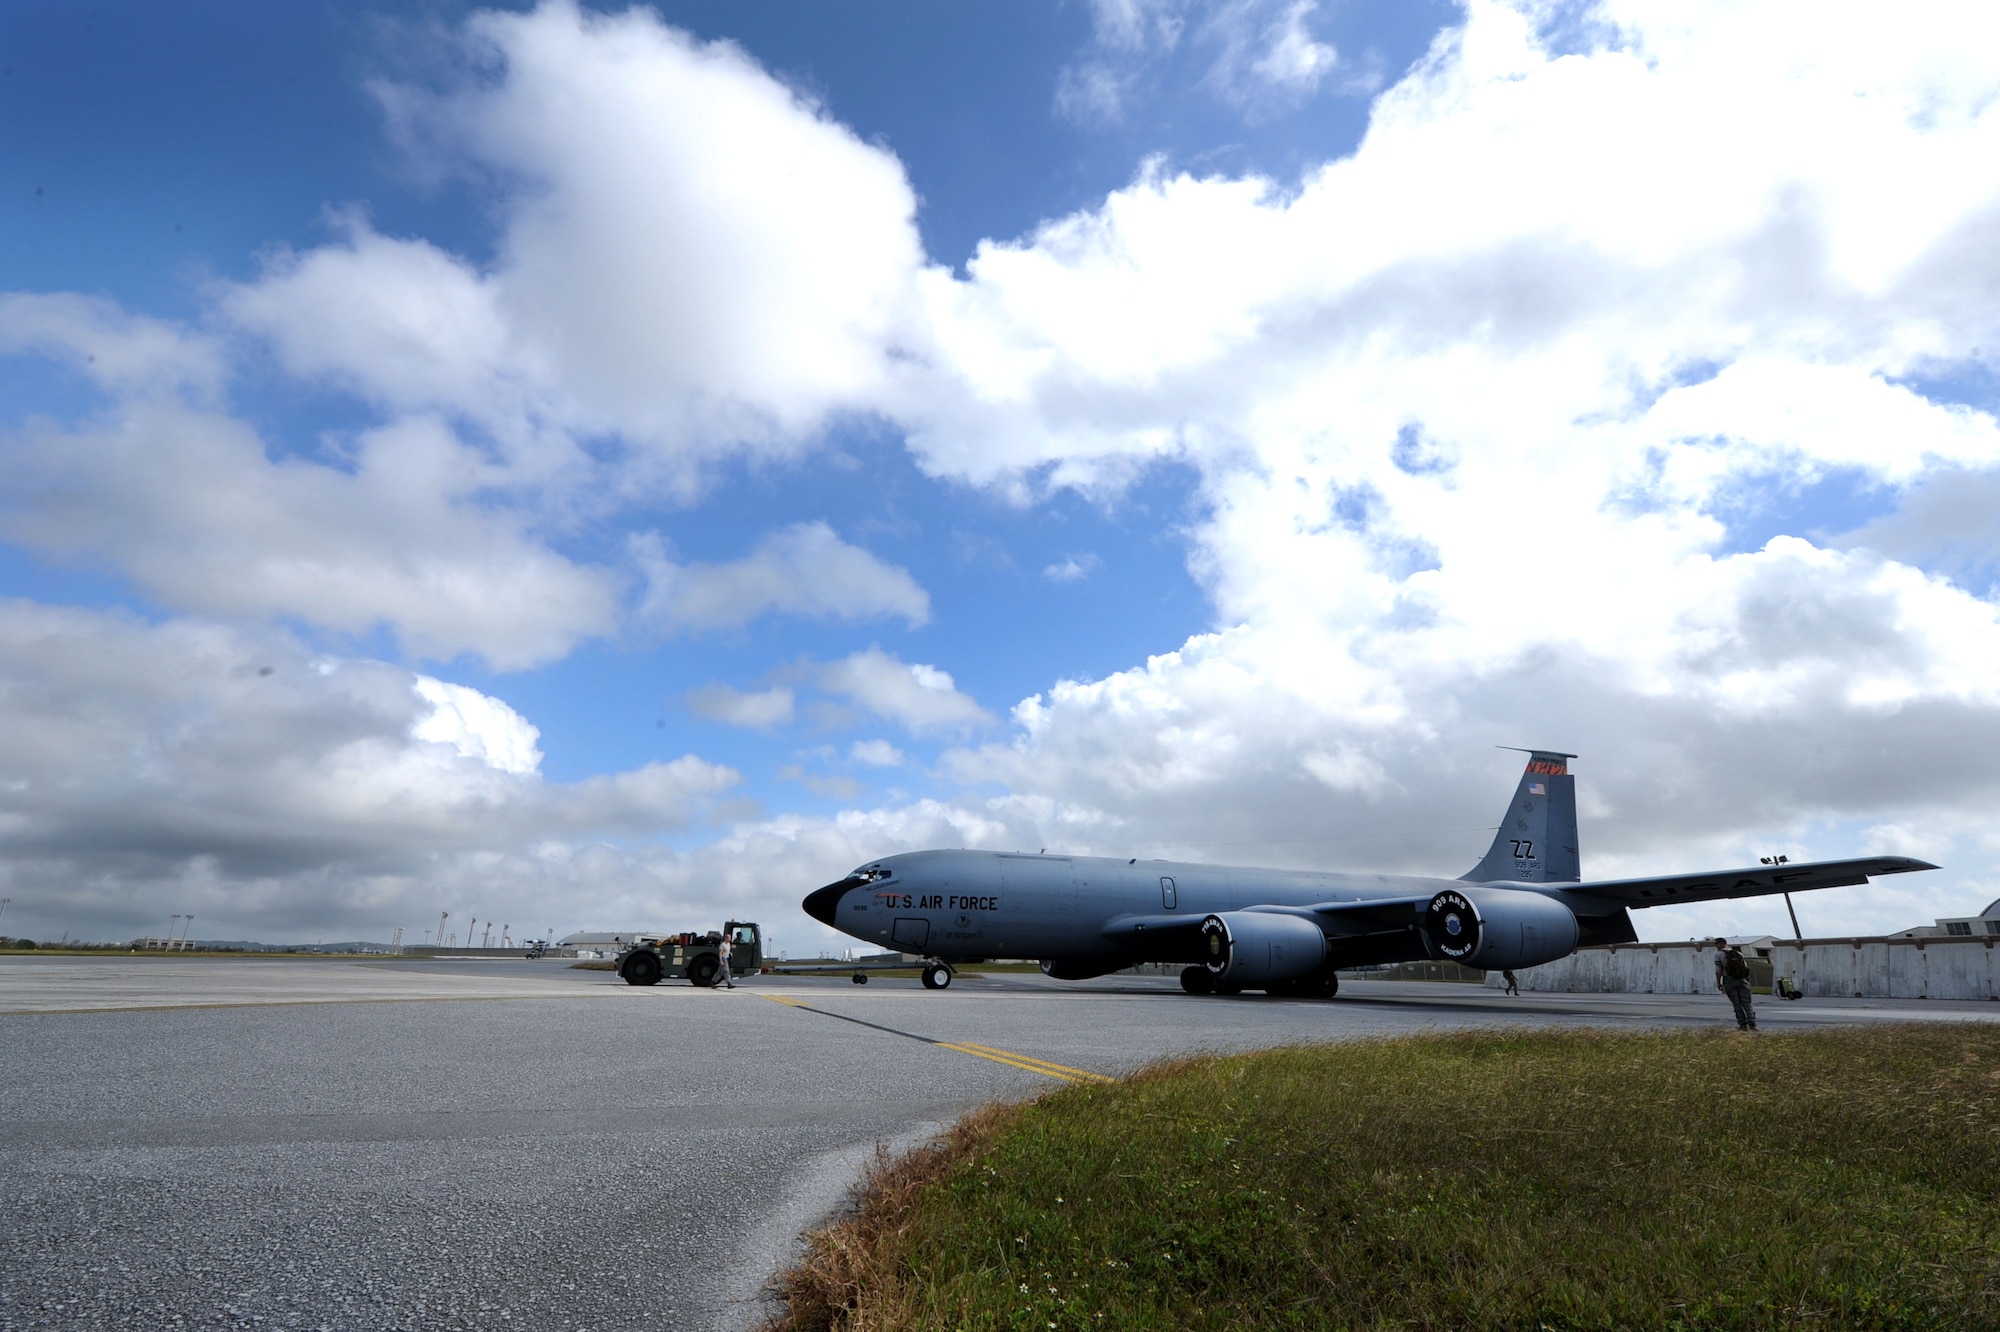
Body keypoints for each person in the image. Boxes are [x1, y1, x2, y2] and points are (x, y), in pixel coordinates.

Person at [1713, 937, 1756, 1030]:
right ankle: (1752, 1023)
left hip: (1729, 980)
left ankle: (1742, 1025)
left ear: (1720, 944)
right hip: (1742, 980)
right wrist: (1748, 981)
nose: (1715, 946)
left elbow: (1718, 970)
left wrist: (1719, 982)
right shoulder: (1738, 953)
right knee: (1747, 1002)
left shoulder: (1718, 954)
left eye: (1716, 944)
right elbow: (1745, 968)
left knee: (1736, 1003)